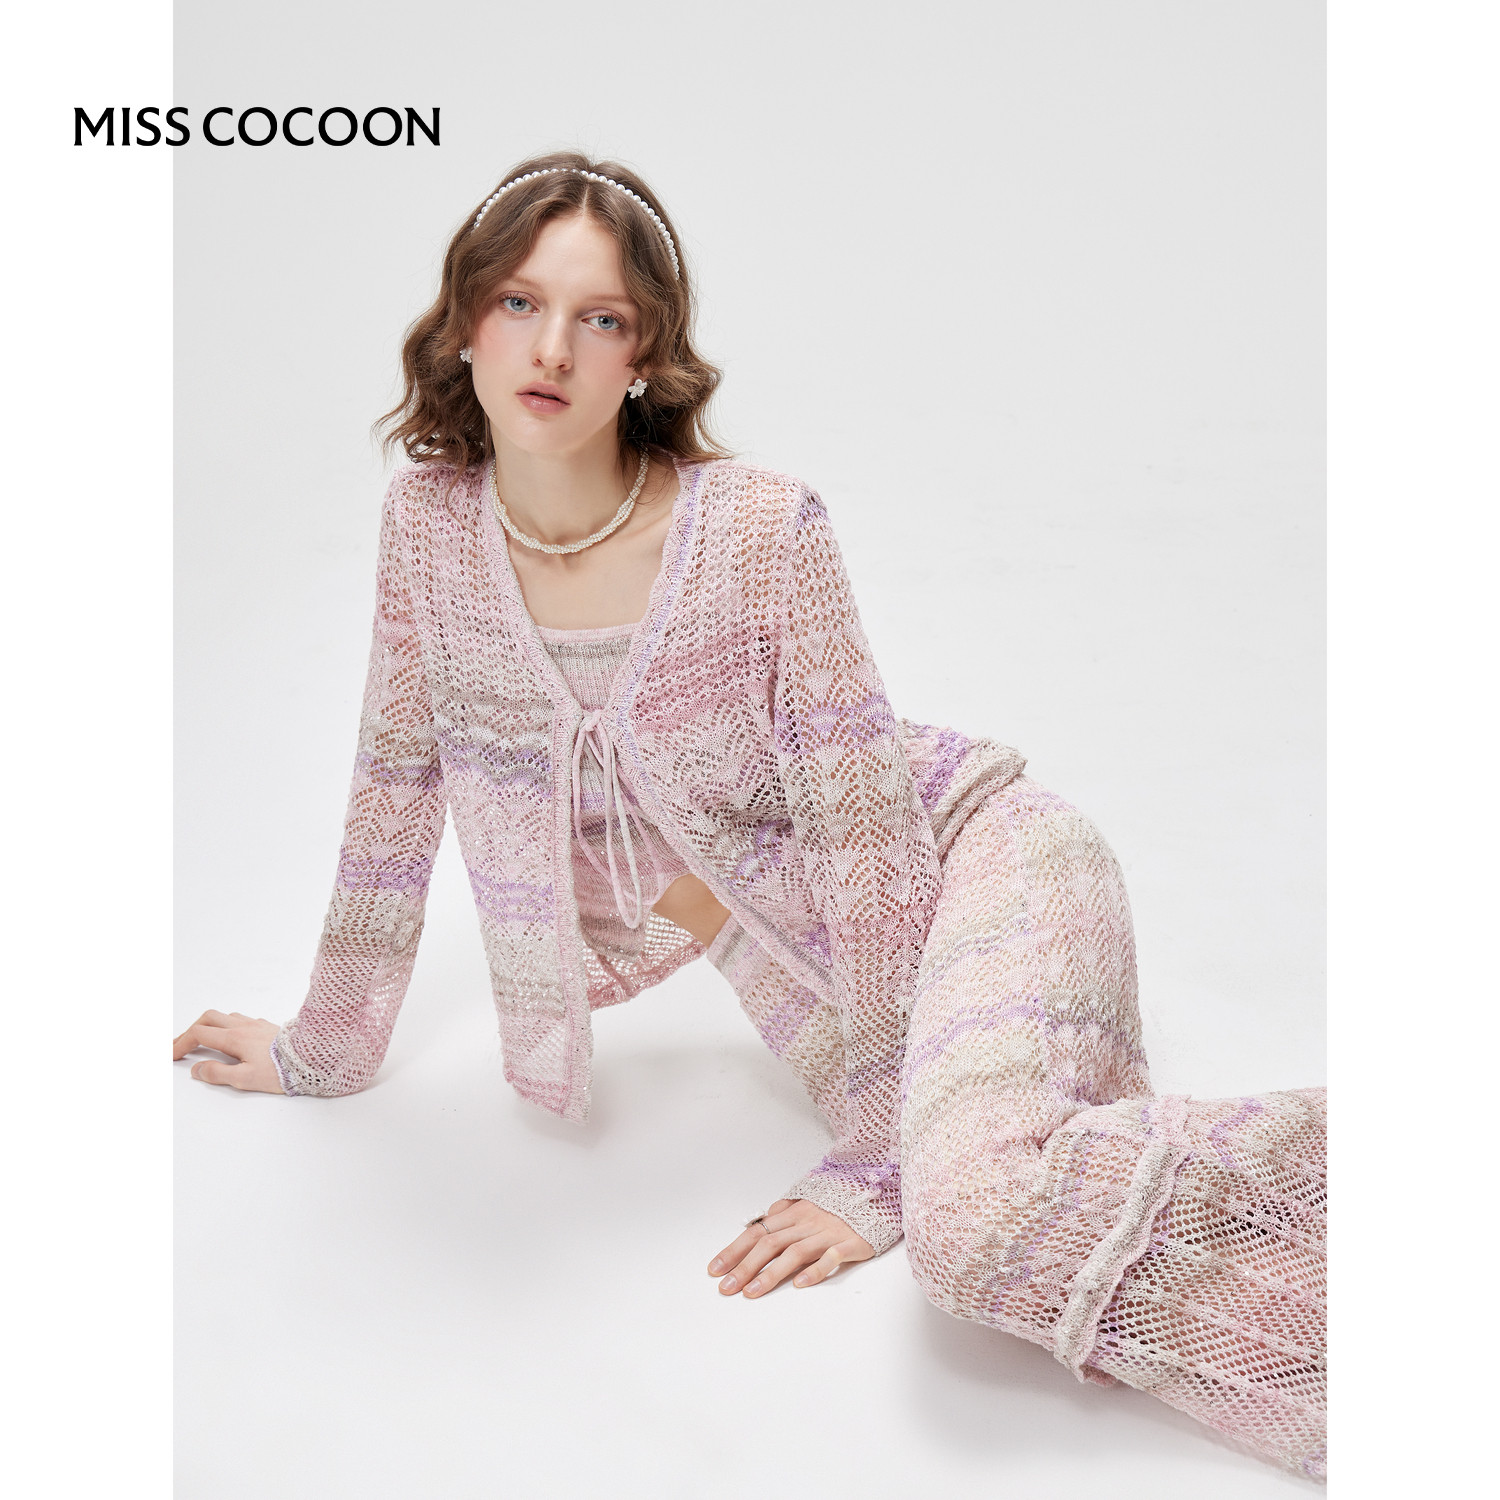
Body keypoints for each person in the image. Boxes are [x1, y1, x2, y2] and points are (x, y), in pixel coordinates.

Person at [173, 152, 1327, 1479]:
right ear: (464, 324)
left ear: (644, 356)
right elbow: (393, 786)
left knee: (968, 1225)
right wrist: (325, 1046)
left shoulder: (761, 531)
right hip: (795, 968)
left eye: (601, 317)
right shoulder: (429, 529)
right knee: (1011, 1195)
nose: (551, 347)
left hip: (978, 864)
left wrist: (880, 1159)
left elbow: (868, 841)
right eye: (518, 302)